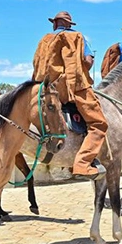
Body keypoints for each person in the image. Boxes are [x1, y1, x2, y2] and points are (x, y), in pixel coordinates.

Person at [33, 11, 107, 180]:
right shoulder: (77, 37)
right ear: (68, 25)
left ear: (55, 24)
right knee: (99, 124)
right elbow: (88, 62)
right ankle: (82, 164)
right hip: (74, 89)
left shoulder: (44, 40)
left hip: (46, 90)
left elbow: (36, 64)